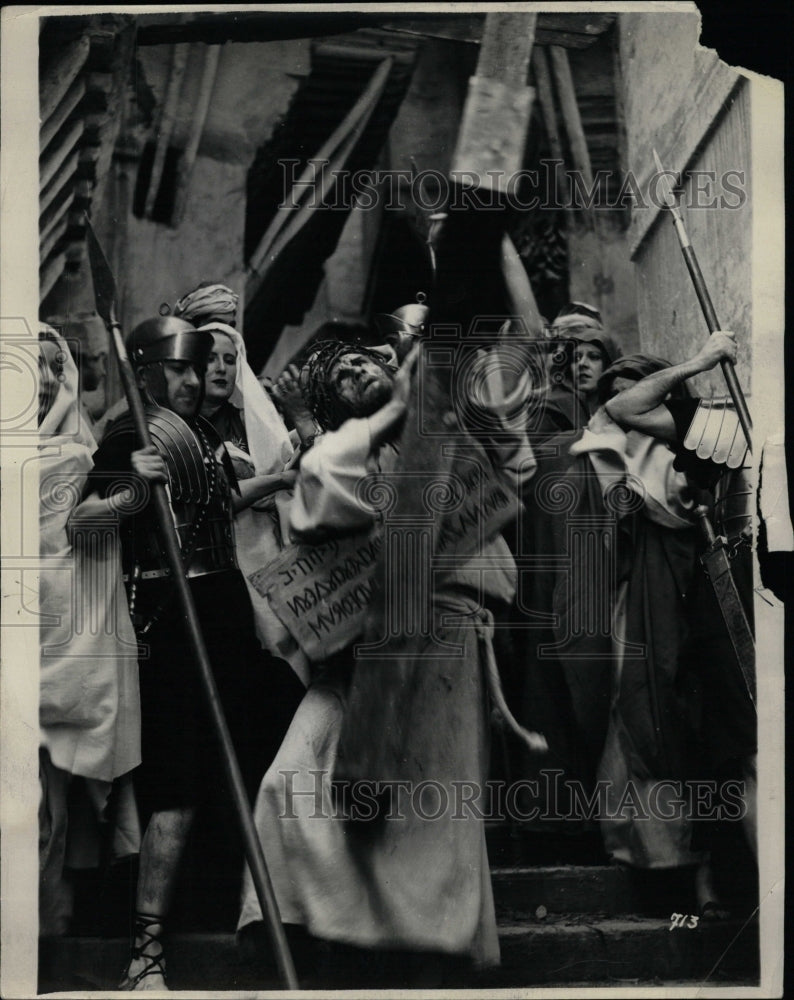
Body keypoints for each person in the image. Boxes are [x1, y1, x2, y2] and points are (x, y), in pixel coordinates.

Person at [237, 330, 546, 984]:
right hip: (359, 654)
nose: (357, 366)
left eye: (368, 358)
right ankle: (285, 927)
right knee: (289, 784)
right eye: (341, 371)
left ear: (398, 370)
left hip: (446, 643)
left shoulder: (455, 437)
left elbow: (518, 417)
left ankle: (420, 954)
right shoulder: (342, 454)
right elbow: (320, 502)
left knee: (429, 813)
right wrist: (387, 415)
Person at [69, 316, 303, 990]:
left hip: (224, 608)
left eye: (199, 368)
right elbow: (78, 523)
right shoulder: (130, 432)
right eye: (180, 369)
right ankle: (145, 956)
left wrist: (279, 480)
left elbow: (218, 505)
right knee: (178, 784)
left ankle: (259, 911)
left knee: (269, 735)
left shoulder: (195, 431)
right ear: (145, 371)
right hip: (171, 618)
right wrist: (131, 490)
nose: (196, 380)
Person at [605, 330, 756, 915]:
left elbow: (629, 406)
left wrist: (703, 360)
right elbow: (624, 409)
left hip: (728, 597)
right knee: (713, 753)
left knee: (740, 753)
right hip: (686, 605)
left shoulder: (703, 427)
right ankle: (715, 883)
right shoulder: (637, 452)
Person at [37, 325, 140, 937]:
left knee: (45, 812)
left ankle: (42, 933)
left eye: (58, 367)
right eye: (35, 366)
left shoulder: (77, 458)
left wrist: (129, 497)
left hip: (57, 650)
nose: (48, 379)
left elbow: (84, 558)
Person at [198, 319, 310, 684]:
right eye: (210, 359)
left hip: (268, 552)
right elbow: (214, 500)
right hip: (220, 559)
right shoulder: (185, 426)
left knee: (286, 652)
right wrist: (277, 480)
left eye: (229, 360)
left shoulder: (253, 422)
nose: (220, 368)